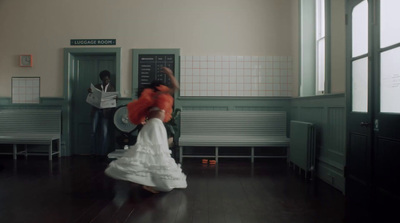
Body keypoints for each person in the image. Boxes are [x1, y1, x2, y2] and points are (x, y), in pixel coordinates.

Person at [105, 67, 187, 193]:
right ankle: (148, 182)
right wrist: (170, 74)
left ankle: (143, 180)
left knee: (147, 154)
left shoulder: (153, 99)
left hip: (152, 126)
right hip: (155, 126)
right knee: (153, 153)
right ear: (159, 88)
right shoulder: (158, 95)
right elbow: (176, 87)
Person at [88, 70, 116, 157]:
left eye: (107, 80)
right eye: (104, 80)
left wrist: (115, 98)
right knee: (93, 131)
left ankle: (103, 153)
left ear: (109, 79)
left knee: (104, 132)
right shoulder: (96, 87)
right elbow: (90, 98)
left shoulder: (112, 88)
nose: (106, 81)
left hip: (106, 112)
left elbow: (114, 100)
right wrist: (89, 92)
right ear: (101, 79)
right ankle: (93, 152)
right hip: (96, 110)